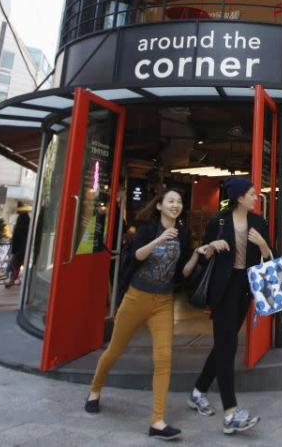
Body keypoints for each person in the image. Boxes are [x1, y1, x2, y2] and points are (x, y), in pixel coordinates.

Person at [86, 189, 191, 440]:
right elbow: (136, 255)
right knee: (114, 349)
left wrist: (199, 254)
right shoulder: (147, 229)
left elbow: (182, 272)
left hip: (164, 301)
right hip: (136, 297)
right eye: (171, 201)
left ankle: (157, 421)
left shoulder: (184, 234)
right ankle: (94, 390)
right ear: (160, 206)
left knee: (164, 358)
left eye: (179, 201)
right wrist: (160, 239)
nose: (176, 205)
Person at [188, 176, 271, 435]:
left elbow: (270, 258)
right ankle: (231, 413)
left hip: (244, 289)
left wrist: (263, 245)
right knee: (227, 347)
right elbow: (204, 253)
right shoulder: (219, 221)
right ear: (239, 197)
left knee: (226, 343)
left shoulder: (259, 222)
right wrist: (211, 246)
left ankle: (198, 391)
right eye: (251, 194)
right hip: (222, 290)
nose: (256, 197)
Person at [5, 204, 31, 288]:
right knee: (22, 265)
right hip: (26, 250)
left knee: (13, 264)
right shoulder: (29, 228)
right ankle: (19, 279)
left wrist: (12, 251)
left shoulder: (18, 228)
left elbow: (15, 240)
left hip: (18, 251)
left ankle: (11, 279)